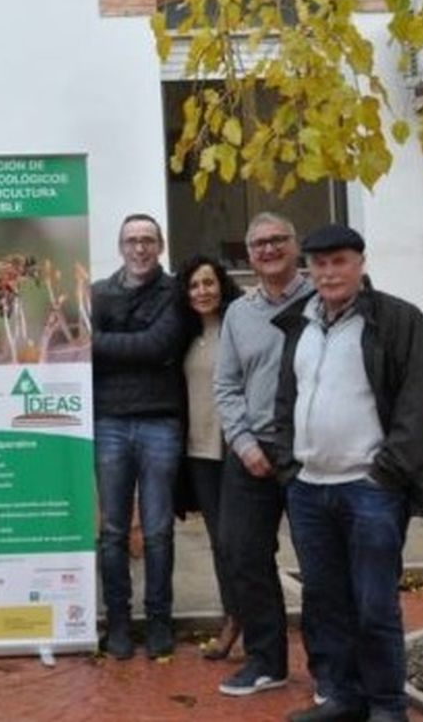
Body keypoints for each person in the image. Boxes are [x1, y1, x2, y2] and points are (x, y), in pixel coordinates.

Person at [273, 224, 423, 722]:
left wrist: (389, 470)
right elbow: (285, 399)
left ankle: (386, 704)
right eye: (319, 263)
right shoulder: (301, 324)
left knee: (375, 606)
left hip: (370, 490)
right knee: (325, 604)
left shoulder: (397, 321)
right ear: (308, 269)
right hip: (310, 490)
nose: (329, 272)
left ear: (360, 264)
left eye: (339, 262)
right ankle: (343, 696)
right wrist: (288, 466)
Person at [212, 212, 319, 699]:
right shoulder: (239, 313)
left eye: (278, 240)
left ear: (295, 245)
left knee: (320, 560)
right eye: (259, 244)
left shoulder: (324, 299)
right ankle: (265, 660)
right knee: (243, 554)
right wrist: (244, 443)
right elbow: (227, 386)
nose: (269, 249)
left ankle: (330, 667)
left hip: (315, 452)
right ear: (249, 255)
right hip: (252, 452)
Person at [91, 213, 188, 660]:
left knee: (157, 530)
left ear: (161, 245)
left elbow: (159, 346)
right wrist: (132, 346)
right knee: (112, 530)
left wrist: (103, 342)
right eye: (132, 240)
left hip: (159, 422)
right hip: (108, 420)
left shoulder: (176, 293)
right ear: (120, 246)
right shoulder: (97, 294)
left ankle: (160, 620)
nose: (140, 248)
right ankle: (119, 623)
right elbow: (84, 347)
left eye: (148, 240)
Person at [175, 254, 245, 664]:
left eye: (209, 283)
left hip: (236, 448)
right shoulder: (186, 336)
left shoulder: (237, 328)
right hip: (199, 452)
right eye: (194, 286)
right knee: (221, 542)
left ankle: (255, 623)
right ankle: (232, 619)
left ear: (222, 285)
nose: (202, 292)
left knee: (245, 543)